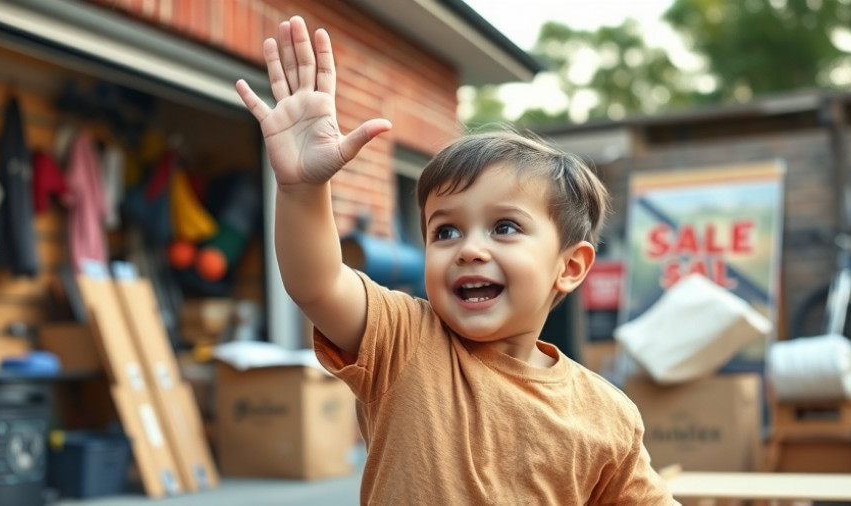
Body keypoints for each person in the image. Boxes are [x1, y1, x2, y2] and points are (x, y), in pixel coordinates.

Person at [236, 15, 678, 505]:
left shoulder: (606, 414)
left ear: (569, 266)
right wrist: (302, 190)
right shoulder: (405, 340)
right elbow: (316, 283)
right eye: (445, 231)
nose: (469, 249)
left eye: (504, 227)